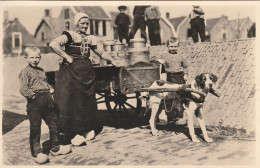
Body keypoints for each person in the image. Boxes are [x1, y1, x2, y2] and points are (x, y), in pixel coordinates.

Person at [49, 12, 121, 146]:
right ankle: (73, 133)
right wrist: (66, 56)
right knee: (72, 101)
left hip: (86, 72)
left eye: (87, 23)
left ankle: (86, 129)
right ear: (76, 24)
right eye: (82, 23)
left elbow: (101, 52)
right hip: (71, 73)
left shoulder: (91, 38)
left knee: (86, 102)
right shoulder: (70, 35)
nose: (85, 26)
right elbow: (53, 44)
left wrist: (113, 60)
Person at [19, 47, 71, 164]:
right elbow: (23, 89)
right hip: (35, 102)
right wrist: (33, 96)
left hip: (47, 99)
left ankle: (55, 147)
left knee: (54, 123)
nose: (35, 60)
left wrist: (50, 89)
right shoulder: (24, 72)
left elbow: (45, 83)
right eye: (32, 57)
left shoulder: (42, 70)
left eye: (37, 57)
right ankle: (37, 153)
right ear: (26, 58)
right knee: (35, 127)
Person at [153, 37, 188, 124]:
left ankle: (180, 117)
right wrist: (158, 60)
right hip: (170, 77)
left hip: (179, 77)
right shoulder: (164, 56)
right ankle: (170, 118)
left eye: (175, 46)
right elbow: (152, 59)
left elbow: (186, 66)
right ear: (167, 46)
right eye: (171, 46)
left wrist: (186, 75)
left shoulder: (180, 57)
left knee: (180, 98)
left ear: (178, 46)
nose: (173, 48)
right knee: (169, 98)